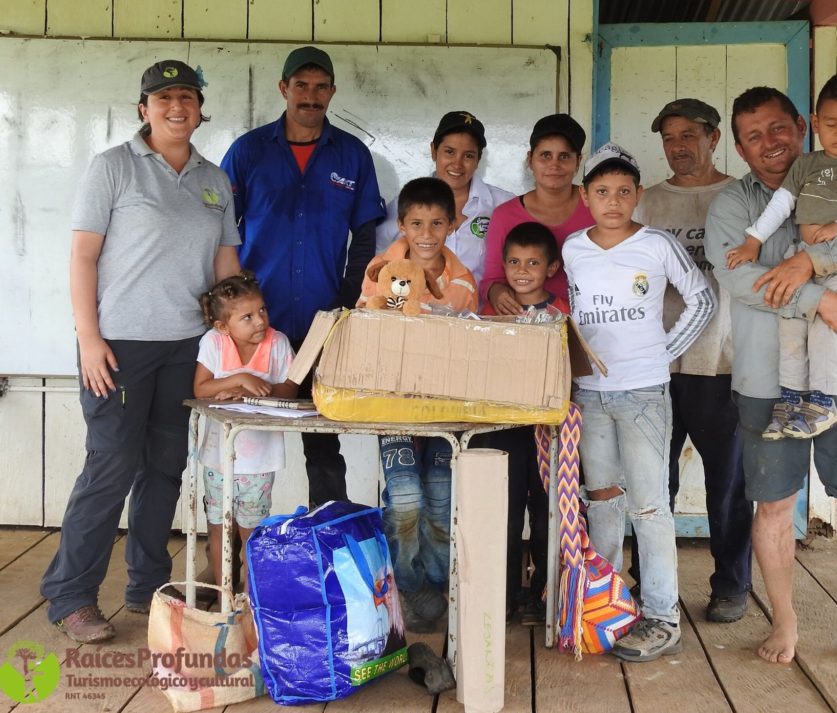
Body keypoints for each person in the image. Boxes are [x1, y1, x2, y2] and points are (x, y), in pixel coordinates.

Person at [704, 86, 837, 669]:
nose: (769, 143)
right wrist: (821, 297)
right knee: (774, 505)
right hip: (764, 378)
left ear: (802, 126)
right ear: (741, 147)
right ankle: (787, 620)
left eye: (778, 128)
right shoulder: (732, 205)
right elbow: (741, 281)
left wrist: (807, 262)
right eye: (754, 135)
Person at [40, 60, 241, 643]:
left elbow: (224, 264)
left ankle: (148, 586)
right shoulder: (114, 168)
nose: (176, 106)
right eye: (163, 97)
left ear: (201, 107)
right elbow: (82, 257)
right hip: (120, 346)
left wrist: (240, 327)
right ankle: (71, 595)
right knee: (111, 466)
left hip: (187, 345)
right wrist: (89, 338)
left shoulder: (214, 178)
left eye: (187, 96)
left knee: (163, 469)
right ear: (143, 108)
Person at [563, 143, 715, 662]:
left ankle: (661, 616)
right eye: (602, 191)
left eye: (623, 191)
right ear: (585, 196)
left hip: (645, 393)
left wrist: (663, 352)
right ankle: (607, 604)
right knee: (601, 500)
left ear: (638, 195)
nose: (612, 201)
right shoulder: (573, 249)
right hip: (591, 395)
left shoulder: (656, 244)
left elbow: (702, 297)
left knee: (650, 507)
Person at [221, 46, 386, 507]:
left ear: (332, 92)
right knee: (242, 440)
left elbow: (366, 238)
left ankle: (327, 538)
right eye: (301, 86)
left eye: (320, 87)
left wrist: (345, 307)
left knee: (322, 442)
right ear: (284, 89)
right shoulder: (247, 151)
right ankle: (236, 548)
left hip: (322, 320)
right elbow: (219, 231)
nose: (310, 97)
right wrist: (233, 304)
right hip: (254, 323)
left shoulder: (352, 155)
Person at [628, 98, 753, 623]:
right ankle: (649, 585)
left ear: (714, 137)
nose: (677, 147)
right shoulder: (645, 203)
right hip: (656, 367)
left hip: (721, 361)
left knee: (728, 484)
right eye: (668, 139)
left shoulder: (741, 197)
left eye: (688, 136)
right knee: (653, 484)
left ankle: (731, 585)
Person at [725, 74, 837, 441]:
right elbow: (780, 205)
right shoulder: (804, 168)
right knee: (791, 324)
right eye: (832, 124)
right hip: (802, 254)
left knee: (820, 327)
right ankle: (789, 400)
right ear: (817, 123)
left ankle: (822, 402)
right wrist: (753, 241)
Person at [358, 177, 477, 632]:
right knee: (405, 498)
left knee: (441, 498)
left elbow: (467, 342)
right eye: (416, 224)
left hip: (447, 407)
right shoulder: (383, 271)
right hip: (396, 405)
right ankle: (406, 586)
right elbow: (375, 327)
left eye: (436, 223)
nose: (426, 234)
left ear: (452, 224)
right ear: (402, 224)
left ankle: (439, 583)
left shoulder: (463, 281)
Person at [480, 222, 566, 624]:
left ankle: (547, 593)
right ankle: (507, 593)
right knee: (506, 510)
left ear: (551, 268)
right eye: (514, 261)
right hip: (503, 425)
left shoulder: (560, 313)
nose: (522, 270)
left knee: (547, 508)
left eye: (533, 262)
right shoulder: (490, 313)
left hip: (548, 429)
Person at [194, 272, 298, 591]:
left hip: (259, 461)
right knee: (218, 526)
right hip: (218, 457)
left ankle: (251, 596)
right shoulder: (213, 342)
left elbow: (291, 389)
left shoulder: (278, 342)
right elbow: (201, 389)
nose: (260, 321)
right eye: (248, 317)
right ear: (223, 326)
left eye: (262, 310)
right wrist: (237, 378)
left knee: (251, 529)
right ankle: (225, 591)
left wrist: (251, 393)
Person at [376, 110, 513, 286]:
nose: (457, 164)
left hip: (480, 311)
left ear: (478, 160)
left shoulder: (502, 205)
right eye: (449, 152)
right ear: (433, 151)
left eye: (468, 156)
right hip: (419, 310)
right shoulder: (407, 202)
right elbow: (376, 250)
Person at [481, 114, 594, 314]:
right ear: (530, 160)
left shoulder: (597, 208)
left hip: (593, 322)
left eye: (564, 156)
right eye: (545, 155)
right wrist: (496, 293)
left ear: (578, 161)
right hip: (524, 328)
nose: (554, 164)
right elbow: (492, 279)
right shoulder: (505, 216)